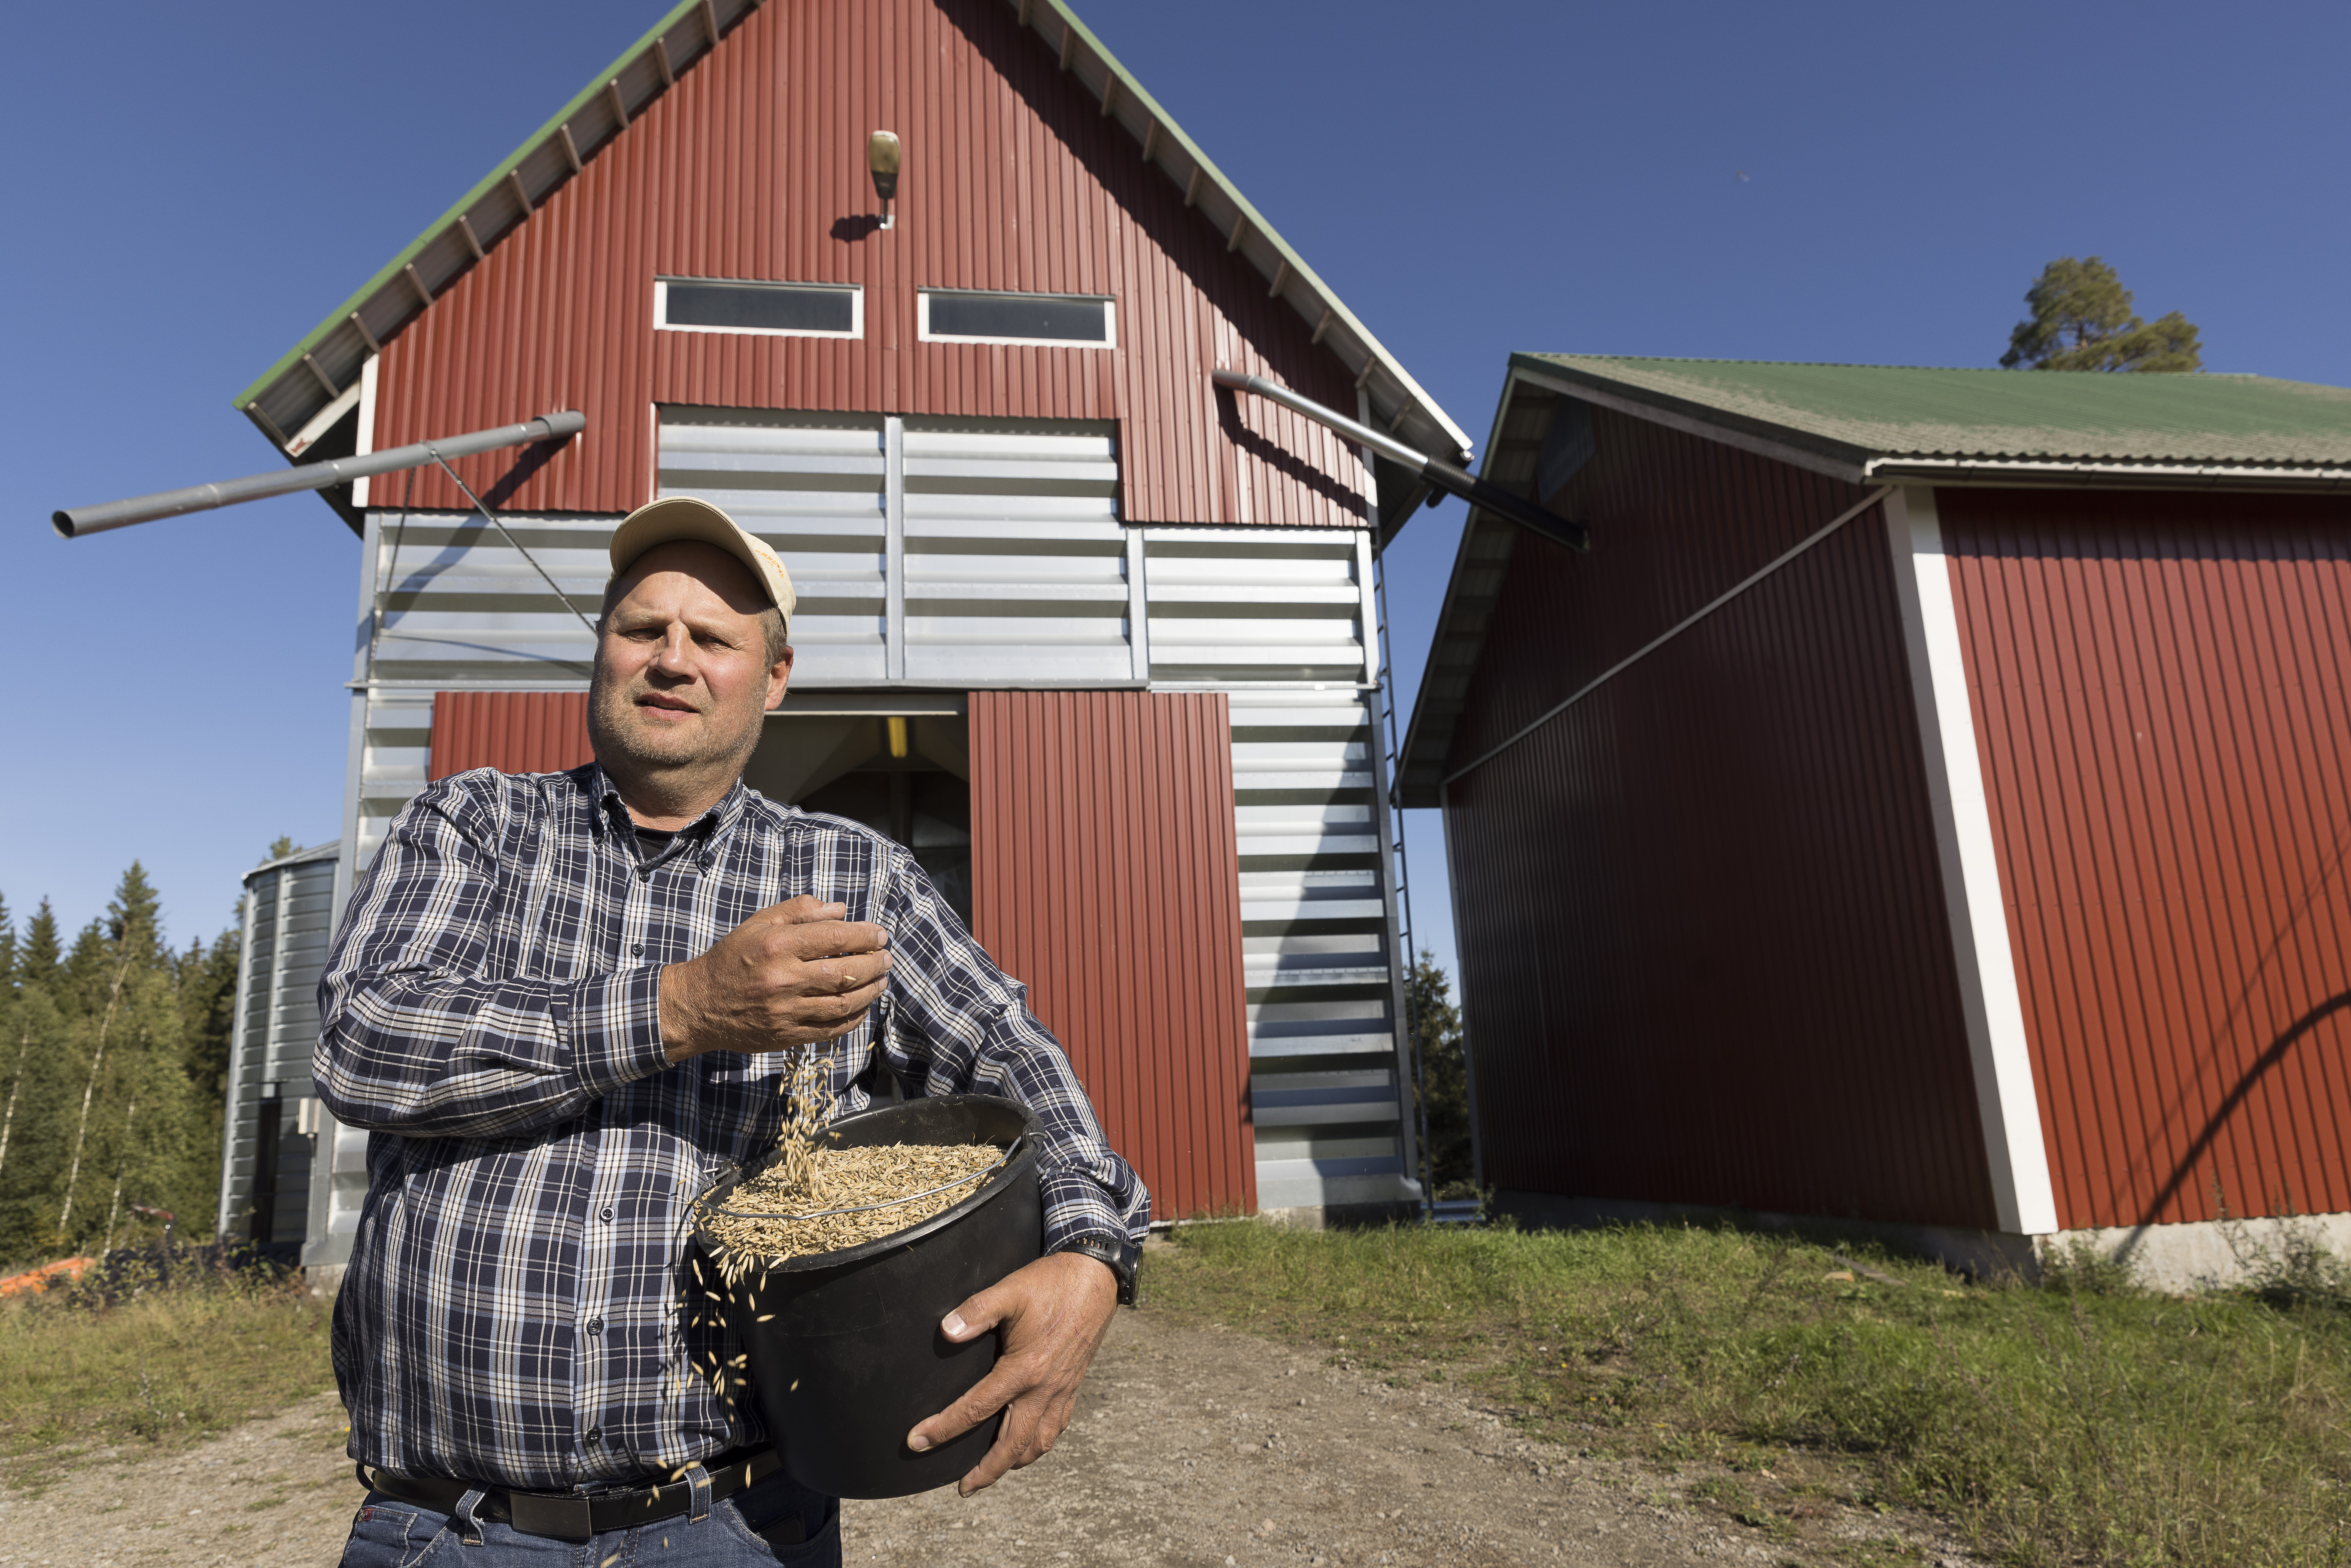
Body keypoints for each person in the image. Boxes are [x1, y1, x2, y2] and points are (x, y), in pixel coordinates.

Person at [315, 496, 1149, 1566]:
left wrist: (1087, 1250)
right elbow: (361, 1041)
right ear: (602, 651)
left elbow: (1010, 1052)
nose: (672, 658)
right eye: (642, 628)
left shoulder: (850, 874)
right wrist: (682, 1007)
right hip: (448, 1526)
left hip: (733, 1524)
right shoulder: (475, 824)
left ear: (774, 677)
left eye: (711, 638)